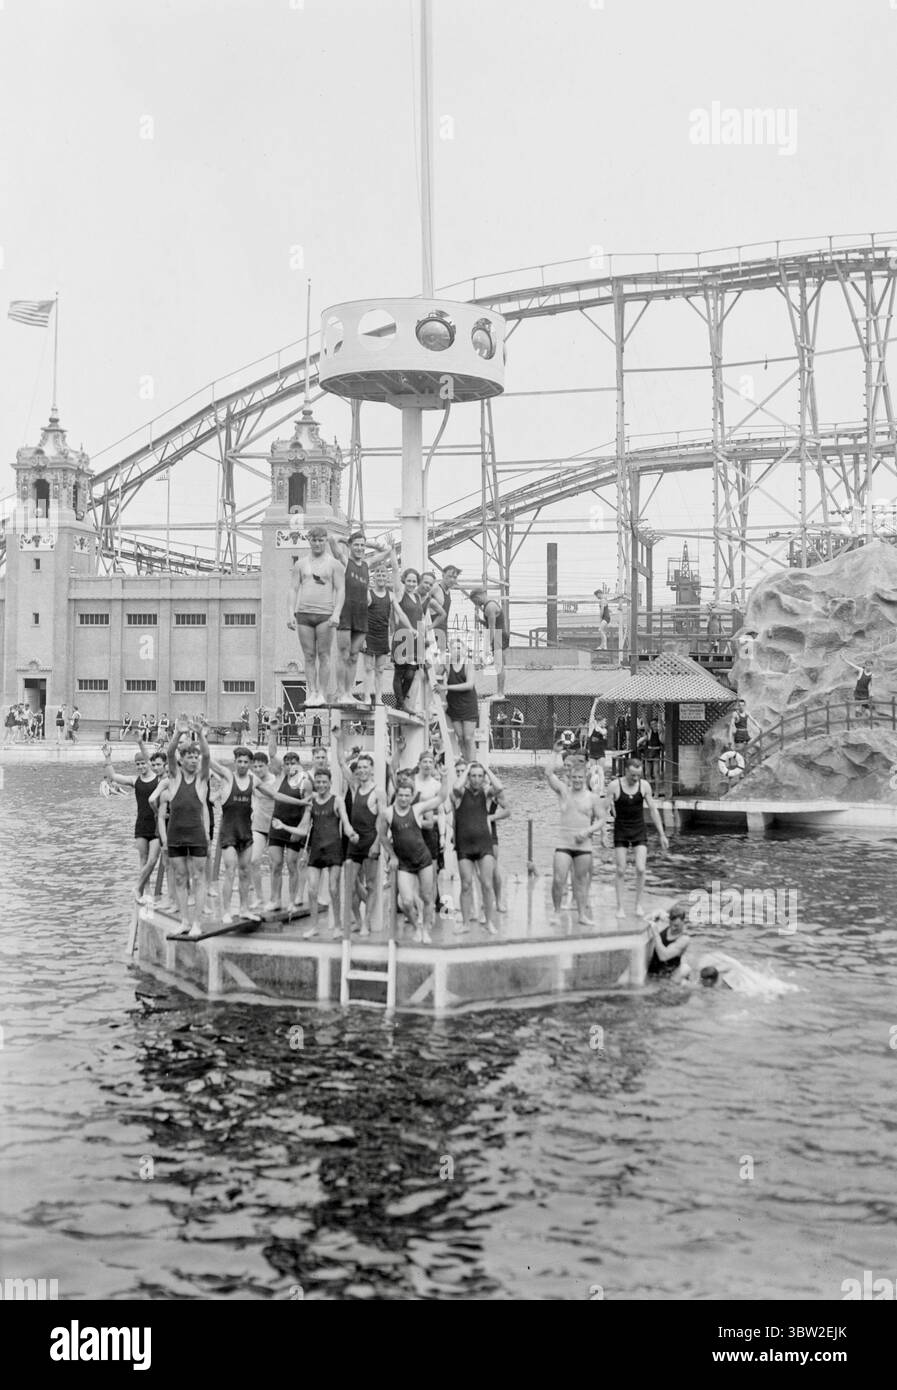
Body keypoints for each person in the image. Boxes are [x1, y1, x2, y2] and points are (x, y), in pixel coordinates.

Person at [282, 765, 357, 938]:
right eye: (318, 782)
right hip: (316, 849)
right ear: (315, 783)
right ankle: (314, 926)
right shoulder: (311, 803)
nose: (321, 785)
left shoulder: (337, 801)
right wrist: (284, 826)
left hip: (333, 849)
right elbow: (303, 829)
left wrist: (351, 833)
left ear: (330, 783)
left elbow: (345, 822)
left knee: (333, 889)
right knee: (312, 890)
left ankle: (337, 925)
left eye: (324, 782)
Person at [378, 768, 450, 943]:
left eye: (407, 796)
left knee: (427, 898)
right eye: (401, 795)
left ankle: (425, 930)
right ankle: (417, 927)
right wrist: (392, 856)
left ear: (411, 796)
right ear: (397, 795)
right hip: (404, 863)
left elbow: (440, 798)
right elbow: (382, 836)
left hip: (423, 859)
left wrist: (445, 777)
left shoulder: (417, 809)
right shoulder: (387, 813)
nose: (403, 799)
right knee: (407, 902)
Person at [157, 717, 212, 937]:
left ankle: (197, 922)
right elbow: (169, 753)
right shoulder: (174, 777)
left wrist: (199, 735)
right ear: (182, 760)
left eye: (195, 757)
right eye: (189, 757)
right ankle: (184, 920)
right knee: (180, 878)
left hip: (196, 834)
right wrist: (178, 733)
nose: (193, 760)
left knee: (198, 878)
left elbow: (207, 755)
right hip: (176, 834)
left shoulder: (202, 779)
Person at [329, 530, 396, 706]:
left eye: (362, 545)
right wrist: (347, 539)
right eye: (356, 545)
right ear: (350, 546)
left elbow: (387, 550)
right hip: (346, 613)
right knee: (343, 654)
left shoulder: (367, 564)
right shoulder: (346, 561)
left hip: (361, 615)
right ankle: (341, 691)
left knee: (353, 656)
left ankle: (349, 692)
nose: (359, 548)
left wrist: (370, 544)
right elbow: (332, 539)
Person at [545, 749, 604, 927]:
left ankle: (581, 915)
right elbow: (548, 774)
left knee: (580, 881)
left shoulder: (592, 798)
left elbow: (601, 819)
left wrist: (588, 831)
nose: (577, 781)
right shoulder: (564, 792)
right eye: (575, 778)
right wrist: (555, 753)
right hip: (564, 843)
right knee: (558, 879)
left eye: (580, 778)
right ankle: (556, 911)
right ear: (570, 777)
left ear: (585, 777)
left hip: (583, 845)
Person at [287, 525, 345, 706]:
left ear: (325, 541)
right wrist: (290, 613)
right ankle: (312, 691)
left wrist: (336, 613)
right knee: (309, 655)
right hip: (304, 613)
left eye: (321, 540)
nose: (318, 544)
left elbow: (340, 588)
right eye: (314, 540)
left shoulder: (333, 564)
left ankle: (321, 692)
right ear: (309, 541)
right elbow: (293, 589)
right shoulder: (300, 564)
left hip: (325, 614)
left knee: (324, 654)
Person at [102, 735, 162, 904]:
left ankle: (140, 888)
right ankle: (146, 891)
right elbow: (113, 776)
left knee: (152, 860)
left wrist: (141, 743)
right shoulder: (135, 781)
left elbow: (150, 758)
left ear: (148, 763)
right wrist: (107, 757)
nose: (141, 766)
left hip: (158, 825)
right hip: (142, 825)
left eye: (143, 763)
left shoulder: (159, 778)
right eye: (138, 764)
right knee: (143, 859)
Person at [607, 756, 670, 918]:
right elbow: (604, 808)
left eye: (638, 775)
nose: (635, 778)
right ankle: (620, 907)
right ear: (626, 771)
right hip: (621, 829)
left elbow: (654, 810)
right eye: (632, 775)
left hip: (638, 829)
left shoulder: (644, 786)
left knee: (641, 869)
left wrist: (662, 834)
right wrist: (601, 829)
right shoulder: (614, 786)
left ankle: (638, 905)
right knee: (620, 869)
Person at [451, 762, 504, 935]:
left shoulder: (486, 794)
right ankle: (466, 923)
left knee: (487, 884)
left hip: (484, 844)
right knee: (466, 885)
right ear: (468, 777)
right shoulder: (459, 795)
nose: (476, 779)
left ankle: (489, 921)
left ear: (483, 778)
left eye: (479, 776)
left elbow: (499, 787)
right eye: (473, 776)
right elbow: (455, 786)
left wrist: (487, 769)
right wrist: (467, 769)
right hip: (464, 845)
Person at [209, 746, 259, 925]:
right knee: (230, 871)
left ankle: (244, 909)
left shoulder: (255, 780)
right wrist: (200, 736)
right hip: (229, 832)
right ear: (235, 762)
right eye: (240, 761)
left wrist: (301, 801)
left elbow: (274, 793)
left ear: (250, 764)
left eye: (246, 762)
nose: (243, 765)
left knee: (245, 872)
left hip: (246, 832)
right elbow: (209, 761)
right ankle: (227, 911)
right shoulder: (228, 777)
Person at [338, 750, 386, 935]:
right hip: (354, 842)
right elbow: (342, 763)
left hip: (370, 841)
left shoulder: (378, 792)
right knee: (350, 885)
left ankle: (366, 922)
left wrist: (376, 844)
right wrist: (339, 739)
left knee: (372, 885)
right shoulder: (355, 787)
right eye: (360, 767)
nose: (362, 770)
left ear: (372, 769)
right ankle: (357, 920)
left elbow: (382, 820)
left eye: (366, 767)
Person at [437, 635, 479, 760]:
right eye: (454, 648)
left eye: (460, 648)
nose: (457, 650)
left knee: (468, 737)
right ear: (450, 650)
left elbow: (469, 685)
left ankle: (472, 764)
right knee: (460, 737)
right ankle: (465, 762)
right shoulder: (448, 664)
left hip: (468, 704)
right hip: (454, 704)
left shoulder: (468, 663)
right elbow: (436, 673)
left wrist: (447, 688)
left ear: (465, 649)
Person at [391, 566, 426, 716]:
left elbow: (421, 618)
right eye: (409, 580)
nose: (411, 583)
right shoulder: (400, 593)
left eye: (414, 581)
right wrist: (392, 551)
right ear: (404, 580)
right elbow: (394, 572)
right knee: (400, 672)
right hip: (403, 636)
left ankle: (400, 702)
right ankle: (400, 703)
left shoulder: (417, 597)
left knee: (410, 674)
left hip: (416, 639)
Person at [248, 748, 278, 908]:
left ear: (267, 766)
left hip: (275, 825)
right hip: (259, 824)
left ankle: (274, 898)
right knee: (253, 860)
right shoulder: (253, 780)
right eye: (255, 767)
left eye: (261, 766)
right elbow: (253, 796)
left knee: (275, 863)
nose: (258, 769)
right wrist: (254, 809)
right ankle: (259, 896)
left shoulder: (275, 780)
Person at [362, 563, 393, 705]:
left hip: (382, 634)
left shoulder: (390, 596)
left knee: (380, 669)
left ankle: (379, 697)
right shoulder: (369, 594)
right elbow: (360, 613)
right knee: (368, 668)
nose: (381, 577)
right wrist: (362, 638)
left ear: (387, 577)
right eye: (378, 575)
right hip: (369, 634)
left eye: (383, 575)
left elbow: (393, 618)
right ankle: (367, 696)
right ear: (374, 578)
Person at [468, 587, 509, 695]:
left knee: (499, 665)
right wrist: (480, 621)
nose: (476, 604)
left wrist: (489, 645)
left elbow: (492, 627)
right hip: (500, 635)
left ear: (478, 596)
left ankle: (500, 693)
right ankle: (500, 692)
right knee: (498, 665)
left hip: (498, 636)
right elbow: (490, 624)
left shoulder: (489, 607)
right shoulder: (490, 606)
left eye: (475, 601)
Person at [645, 904, 691, 982]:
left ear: (683, 921)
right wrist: (654, 915)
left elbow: (663, 956)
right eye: (671, 924)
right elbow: (658, 912)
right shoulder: (669, 920)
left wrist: (655, 932)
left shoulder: (684, 939)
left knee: (685, 969)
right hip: (653, 972)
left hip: (667, 978)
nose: (673, 928)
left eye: (676, 926)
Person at [427, 564, 460, 653]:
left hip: (442, 630)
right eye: (449, 576)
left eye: (454, 577)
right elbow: (421, 599)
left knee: (443, 659)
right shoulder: (436, 587)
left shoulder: (448, 591)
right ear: (443, 575)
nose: (452, 579)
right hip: (432, 631)